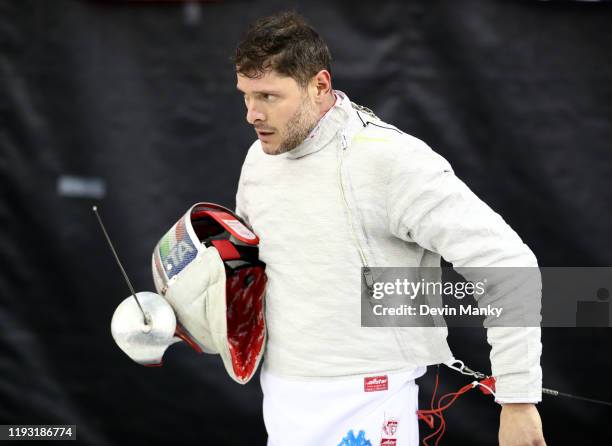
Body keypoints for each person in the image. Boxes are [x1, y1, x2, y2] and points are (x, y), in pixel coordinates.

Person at [233, 11, 546, 446]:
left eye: (269, 96)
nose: (253, 114)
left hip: (369, 399)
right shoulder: (259, 161)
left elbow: (506, 262)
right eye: (246, 96)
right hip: (283, 394)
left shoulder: (387, 160)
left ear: (319, 85)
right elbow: (248, 277)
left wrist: (518, 400)